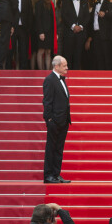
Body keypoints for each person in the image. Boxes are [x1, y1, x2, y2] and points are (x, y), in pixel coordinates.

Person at [42, 56, 71, 184]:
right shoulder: (50, 80)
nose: (67, 68)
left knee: (59, 149)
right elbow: (47, 101)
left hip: (63, 121)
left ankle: (56, 174)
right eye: (64, 66)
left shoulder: (61, 80)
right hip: (54, 121)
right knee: (51, 148)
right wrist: (49, 119)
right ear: (57, 66)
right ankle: (48, 175)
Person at [61, 0, 90, 71]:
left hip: (80, 34)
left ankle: (76, 76)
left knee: (78, 56)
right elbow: (64, 16)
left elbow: (87, 16)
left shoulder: (85, 2)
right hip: (69, 33)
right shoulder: (65, 2)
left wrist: (80, 26)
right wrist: (73, 26)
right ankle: (67, 76)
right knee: (68, 55)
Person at [87, 0, 112, 70]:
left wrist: (105, 14)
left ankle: (108, 79)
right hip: (95, 35)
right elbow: (91, 22)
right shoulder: (93, 5)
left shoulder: (109, 3)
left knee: (107, 58)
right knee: (97, 58)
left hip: (106, 35)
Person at [12, 0, 34, 70]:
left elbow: (30, 12)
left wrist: (28, 27)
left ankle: (23, 69)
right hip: (13, 27)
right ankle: (10, 69)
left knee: (23, 50)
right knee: (11, 49)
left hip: (24, 27)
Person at [35, 0, 56, 71]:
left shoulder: (51, 4)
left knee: (48, 52)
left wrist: (55, 33)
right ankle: (41, 71)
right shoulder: (39, 3)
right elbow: (38, 19)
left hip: (50, 32)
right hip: (42, 32)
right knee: (41, 51)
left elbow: (52, 20)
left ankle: (47, 71)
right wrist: (41, 32)